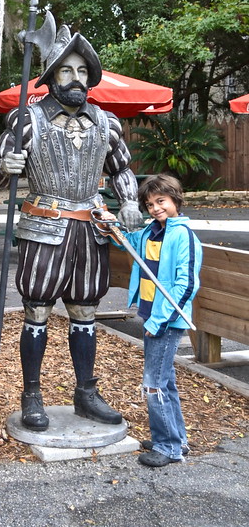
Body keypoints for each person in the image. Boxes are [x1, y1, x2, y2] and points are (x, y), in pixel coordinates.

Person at [0, 14, 143, 431]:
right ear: (52, 76)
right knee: (37, 310)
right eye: (66, 70)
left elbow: (122, 170)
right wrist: (7, 163)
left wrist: (129, 201)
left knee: (85, 311)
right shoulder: (27, 119)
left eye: (81, 70)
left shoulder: (106, 123)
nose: (75, 78)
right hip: (45, 226)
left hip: (90, 227)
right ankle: (32, 395)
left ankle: (86, 393)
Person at [100, 174, 202, 467]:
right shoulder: (151, 232)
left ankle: (168, 447)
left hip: (167, 322)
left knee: (154, 384)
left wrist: (158, 321)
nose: (156, 208)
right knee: (165, 381)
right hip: (151, 316)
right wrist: (110, 225)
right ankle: (174, 438)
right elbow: (128, 242)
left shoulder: (183, 236)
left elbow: (186, 285)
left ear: (175, 200)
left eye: (161, 202)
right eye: (150, 204)